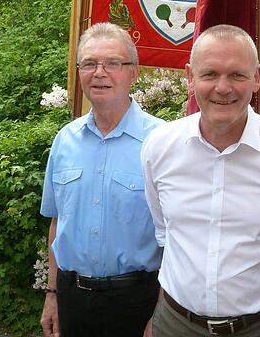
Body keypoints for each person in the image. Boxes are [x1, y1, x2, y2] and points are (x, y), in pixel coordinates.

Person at [141, 24, 260, 337]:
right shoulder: (159, 147)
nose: (222, 87)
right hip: (176, 325)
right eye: (210, 74)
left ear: (256, 78)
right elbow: (165, 231)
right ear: (190, 77)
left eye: (237, 75)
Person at [39, 23, 163, 337]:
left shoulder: (162, 142)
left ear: (134, 73)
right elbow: (57, 224)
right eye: (90, 63)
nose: (100, 72)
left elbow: (178, 236)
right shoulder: (65, 141)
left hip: (138, 301)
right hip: (72, 299)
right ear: (79, 72)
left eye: (112, 63)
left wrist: (163, 313)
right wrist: (51, 295)